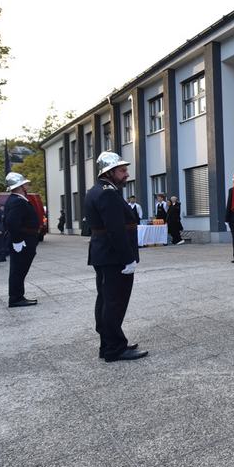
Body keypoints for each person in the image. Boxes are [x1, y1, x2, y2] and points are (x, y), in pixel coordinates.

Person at [85, 152, 147, 362]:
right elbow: (116, 230)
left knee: (106, 300)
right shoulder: (108, 194)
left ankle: (108, 344)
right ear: (109, 172)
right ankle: (115, 349)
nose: (126, 174)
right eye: (122, 170)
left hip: (104, 254)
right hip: (114, 257)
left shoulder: (96, 190)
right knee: (114, 302)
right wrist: (127, 258)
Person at [4, 172, 41, 307]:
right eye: (25, 184)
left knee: (19, 270)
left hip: (25, 239)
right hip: (23, 240)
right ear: (20, 186)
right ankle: (16, 298)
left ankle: (17, 296)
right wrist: (18, 240)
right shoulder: (18, 201)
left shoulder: (17, 199)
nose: (27, 185)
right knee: (18, 270)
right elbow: (11, 223)